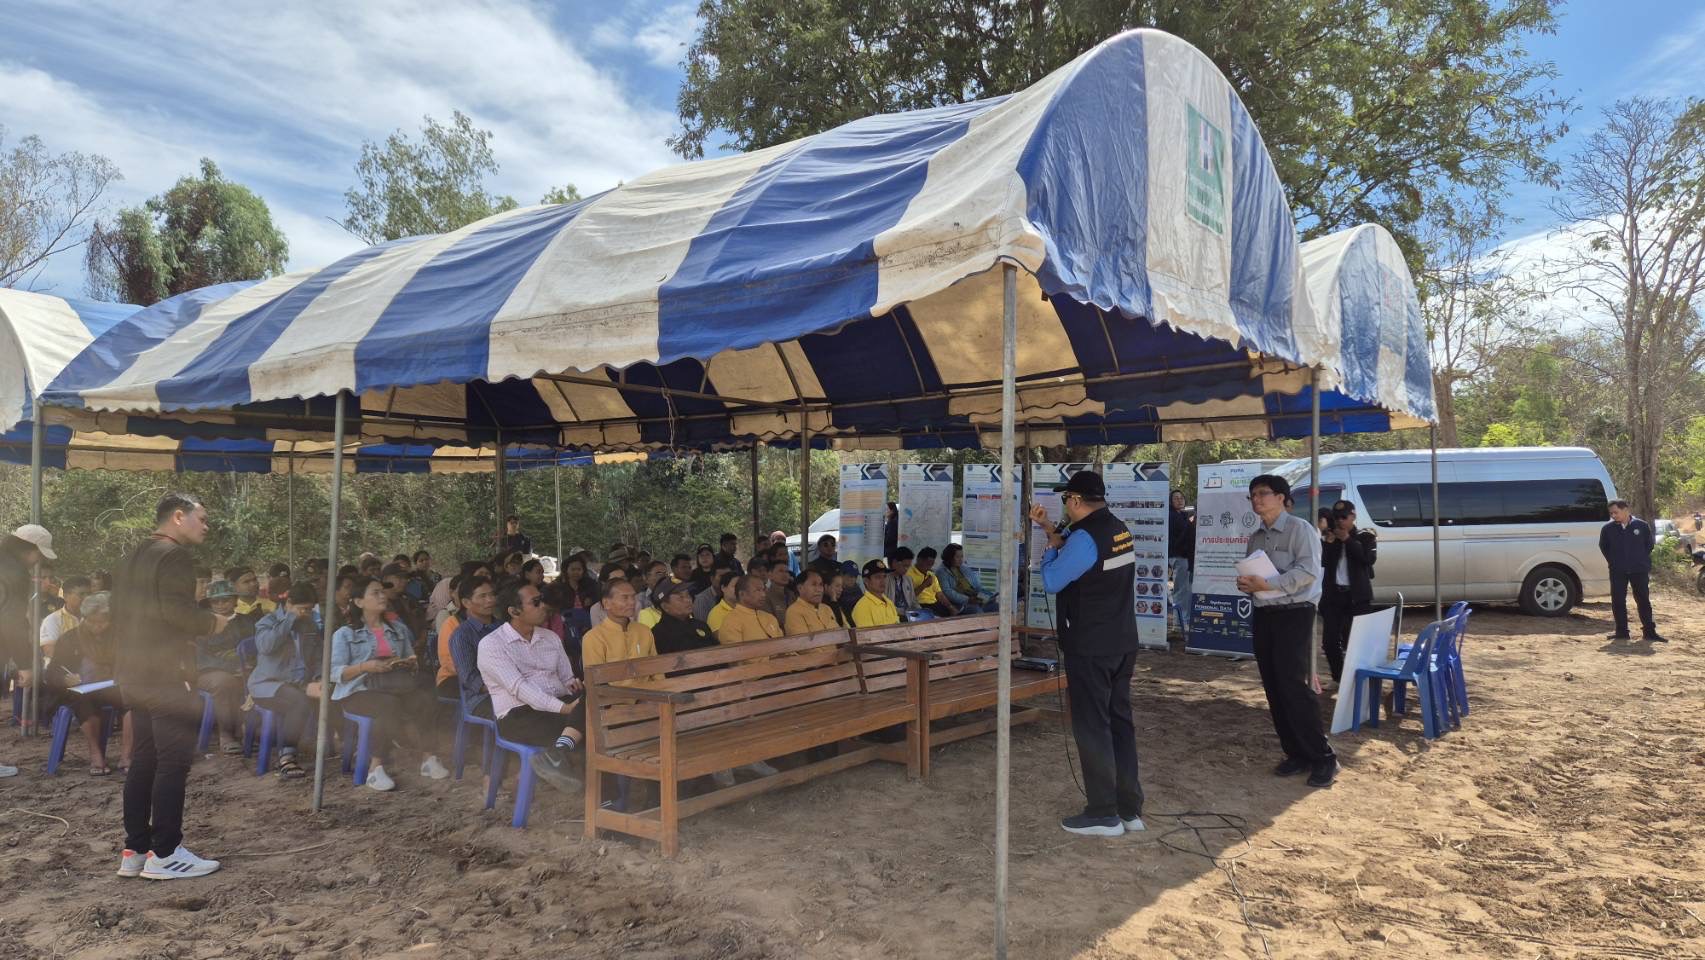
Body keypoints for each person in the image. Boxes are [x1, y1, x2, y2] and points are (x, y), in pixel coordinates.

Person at [114, 494, 229, 879]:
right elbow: (176, 613)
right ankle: (165, 853)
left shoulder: (133, 555)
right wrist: (212, 623)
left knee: (144, 759)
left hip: (132, 673)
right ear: (179, 517)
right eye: (202, 518)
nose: (206, 526)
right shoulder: (175, 556)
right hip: (165, 675)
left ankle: (135, 850)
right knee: (173, 762)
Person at [1030, 471, 1146, 837]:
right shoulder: (1117, 528)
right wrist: (1050, 529)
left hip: (1091, 647)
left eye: (1066, 499)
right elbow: (1085, 556)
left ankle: (1103, 813)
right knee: (1119, 724)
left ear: (1077, 500)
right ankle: (1129, 809)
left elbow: (1053, 580)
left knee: (1093, 727)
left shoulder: (1084, 539)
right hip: (1121, 641)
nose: (1065, 504)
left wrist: (1049, 550)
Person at [1237, 475, 1338, 789]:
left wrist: (1268, 584)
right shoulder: (1255, 538)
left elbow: (1307, 572)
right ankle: (1295, 752)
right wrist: (1247, 584)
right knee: (1273, 686)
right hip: (1264, 614)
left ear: (1281, 497)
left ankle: (1323, 757)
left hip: (1295, 614)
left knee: (1294, 686)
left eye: (1263, 493)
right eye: (1252, 495)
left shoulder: (1300, 530)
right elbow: (1255, 576)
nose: (1257, 499)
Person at [329, 576, 450, 791]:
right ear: (359, 602)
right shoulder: (345, 634)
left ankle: (429, 758)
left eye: (382, 592)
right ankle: (375, 768)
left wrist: (405, 663)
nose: (382, 596)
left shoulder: (397, 629)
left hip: (394, 686)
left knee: (425, 698)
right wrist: (365, 667)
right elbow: (334, 672)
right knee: (388, 705)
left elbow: (411, 659)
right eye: (375, 593)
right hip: (357, 690)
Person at [477, 581, 584, 791]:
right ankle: (564, 759)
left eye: (541, 600)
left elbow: (566, 678)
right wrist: (565, 708)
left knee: (597, 702)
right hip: (519, 716)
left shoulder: (550, 638)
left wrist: (575, 687)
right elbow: (519, 688)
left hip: (559, 706)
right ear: (514, 611)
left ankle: (558, 753)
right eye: (535, 602)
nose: (543, 606)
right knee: (594, 724)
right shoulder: (491, 644)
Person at [42, 590, 125, 776]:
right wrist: (65, 679)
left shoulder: (119, 637)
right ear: (84, 618)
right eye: (92, 622)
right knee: (85, 703)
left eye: (102, 622)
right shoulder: (70, 638)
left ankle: (128, 756)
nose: (97, 627)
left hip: (113, 687)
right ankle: (96, 754)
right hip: (81, 690)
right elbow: (52, 671)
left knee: (133, 699)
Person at [249, 582, 323, 779]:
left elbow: (318, 657)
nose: (306, 613)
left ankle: (344, 748)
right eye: (303, 609)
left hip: (300, 683)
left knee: (331, 693)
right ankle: (287, 756)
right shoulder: (267, 621)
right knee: (299, 701)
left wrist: (319, 678)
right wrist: (289, 619)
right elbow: (266, 646)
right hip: (268, 684)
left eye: (310, 609)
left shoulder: (309, 624)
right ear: (289, 603)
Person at [2, 524, 56, 765]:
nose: (37, 562)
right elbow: (11, 621)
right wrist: (25, 663)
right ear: (29, 550)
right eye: (38, 555)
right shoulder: (15, 573)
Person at [194, 580, 257, 754]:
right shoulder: (202, 624)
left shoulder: (248, 622)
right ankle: (226, 734)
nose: (221, 604)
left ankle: (253, 733)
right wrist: (231, 667)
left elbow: (257, 648)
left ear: (235, 600)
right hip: (206, 671)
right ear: (209, 603)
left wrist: (249, 665)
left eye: (226, 600)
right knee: (224, 682)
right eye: (216, 601)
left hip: (244, 669)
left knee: (259, 680)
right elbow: (200, 657)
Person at [1319, 500, 1377, 683]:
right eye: (1337, 518)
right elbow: (1322, 563)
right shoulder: (1330, 538)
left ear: (1353, 516)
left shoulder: (1365, 536)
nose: (1340, 521)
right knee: (1329, 642)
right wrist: (1328, 543)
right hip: (1334, 597)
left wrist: (1347, 539)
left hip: (1357, 597)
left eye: (1344, 517)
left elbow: (1367, 559)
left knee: (1355, 641)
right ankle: (1340, 678)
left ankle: (1358, 679)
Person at [1600, 500, 1664, 643]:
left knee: (1643, 599)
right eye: (1611, 513)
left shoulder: (1641, 526)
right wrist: (1615, 562)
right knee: (1618, 600)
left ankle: (1649, 632)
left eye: (1616, 512)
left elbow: (1649, 545)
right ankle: (1622, 632)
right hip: (1618, 571)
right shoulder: (1608, 529)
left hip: (1639, 570)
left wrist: (1638, 559)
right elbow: (1604, 547)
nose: (1613, 516)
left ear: (1625, 510)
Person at [448, 577, 502, 720]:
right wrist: (506, 687)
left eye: (492, 594)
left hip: (513, 689)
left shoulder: (503, 627)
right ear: (466, 603)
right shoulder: (462, 635)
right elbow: (471, 680)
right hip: (481, 697)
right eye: (483, 596)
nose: (490, 600)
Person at [651, 579, 718, 655]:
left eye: (688, 595)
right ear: (665, 606)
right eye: (680, 597)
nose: (688, 600)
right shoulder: (659, 634)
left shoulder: (701, 625)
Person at [718, 575, 785, 645]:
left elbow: (783, 645)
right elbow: (736, 651)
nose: (763, 595)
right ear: (742, 594)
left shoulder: (769, 617)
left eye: (763, 590)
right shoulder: (731, 621)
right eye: (758, 590)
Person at [1167, 490, 1195, 637]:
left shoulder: (1183, 515)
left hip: (1185, 558)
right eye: (1176, 498)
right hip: (1178, 557)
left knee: (1185, 590)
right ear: (1171, 501)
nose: (1179, 500)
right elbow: (1181, 538)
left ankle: (1181, 623)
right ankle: (1179, 625)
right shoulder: (1172, 516)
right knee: (1181, 591)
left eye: (1181, 497)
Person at [937, 544, 991, 615]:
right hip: (960, 604)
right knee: (977, 610)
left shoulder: (964, 568)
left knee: (995, 606)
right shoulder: (941, 572)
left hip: (974, 597)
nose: (961, 560)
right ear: (949, 557)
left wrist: (984, 595)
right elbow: (947, 592)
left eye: (961, 556)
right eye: (957, 557)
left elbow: (976, 584)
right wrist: (968, 600)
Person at [40, 574, 90, 649]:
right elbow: (50, 651)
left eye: (89, 594)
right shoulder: (53, 620)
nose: (87, 598)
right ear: (66, 596)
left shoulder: (96, 618)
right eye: (81, 594)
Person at [785, 569, 840, 635]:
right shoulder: (794, 611)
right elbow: (803, 640)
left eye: (821, 585)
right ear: (800, 588)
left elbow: (839, 634)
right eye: (814, 584)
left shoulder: (827, 608)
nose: (819, 589)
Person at [910, 547, 958, 617]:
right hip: (919, 605)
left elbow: (940, 595)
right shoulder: (908, 574)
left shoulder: (931, 575)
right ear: (919, 560)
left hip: (934, 604)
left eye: (931, 564)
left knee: (954, 614)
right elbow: (908, 597)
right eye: (927, 564)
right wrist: (924, 585)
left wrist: (951, 607)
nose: (929, 567)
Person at [851, 559, 900, 627]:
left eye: (884, 576)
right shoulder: (862, 608)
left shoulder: (889, 603)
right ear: (866, 581)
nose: (883, 581)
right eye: (878, 577)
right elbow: (868, 634)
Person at [885, 547, 929, 620]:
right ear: (895, 563)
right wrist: (906, 613)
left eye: (908, 566)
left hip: (909, 615)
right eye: (904, 566)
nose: (906, 569)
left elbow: (913, 601)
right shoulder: (885, 580)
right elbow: (886, 605)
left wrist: (921, 611)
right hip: (893, 615)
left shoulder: (908, 579)